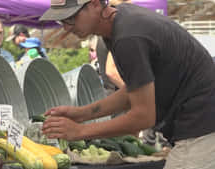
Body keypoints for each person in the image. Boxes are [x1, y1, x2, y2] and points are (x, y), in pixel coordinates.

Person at [40, 0, 215, 168]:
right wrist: (81, 114)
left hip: (202, 124)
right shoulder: (122, 20)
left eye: (71, 18)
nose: (66, 27)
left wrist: (79, 131)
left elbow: (143, 116)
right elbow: (133, 91)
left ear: (94, 3)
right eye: (61, 20)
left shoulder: (128, 37)